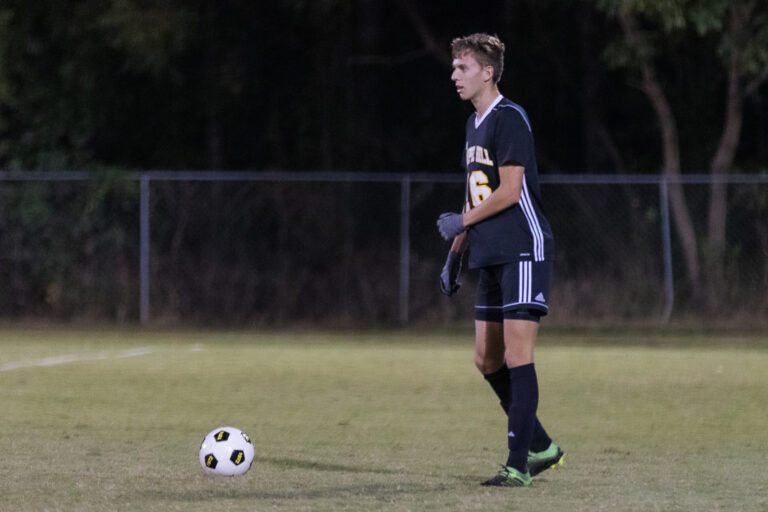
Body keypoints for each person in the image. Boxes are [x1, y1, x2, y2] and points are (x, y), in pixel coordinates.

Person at [436, 33, 564, 487]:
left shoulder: (509, 118)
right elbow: (477, 193)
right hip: (489, 254)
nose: (454, 75)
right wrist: (455, 253)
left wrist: (460, 222)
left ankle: (518, 465)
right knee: (486, 359)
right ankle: (543, 445)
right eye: (454, 68)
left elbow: (510, 192)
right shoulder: (472, 125)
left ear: (488, 72)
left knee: (516, 353)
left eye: (462, 67)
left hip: (523, 248)